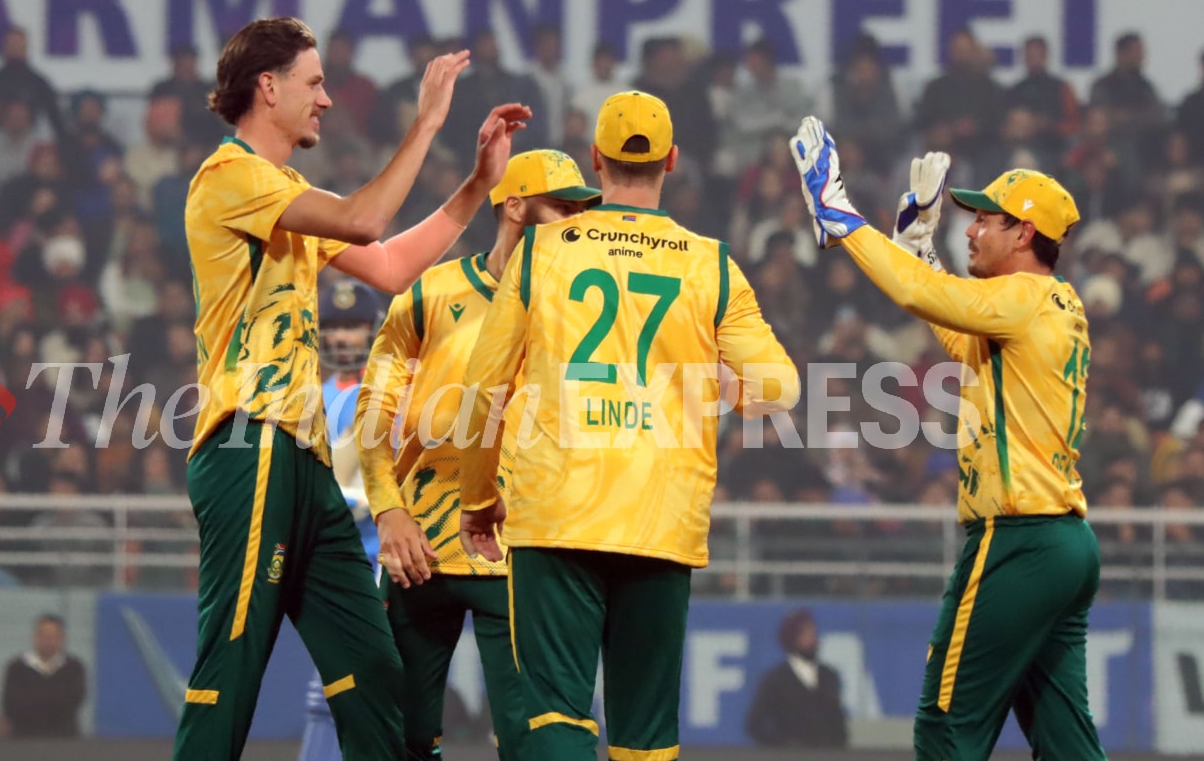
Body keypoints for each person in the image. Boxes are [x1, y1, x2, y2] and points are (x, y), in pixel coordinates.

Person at [175, 15, 526, 761]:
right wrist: (426, 122)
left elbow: (390, 268)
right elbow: (365, 222)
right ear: (267, 88)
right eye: (314, 83)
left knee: (375, 672)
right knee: (231, 664)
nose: (327, 99)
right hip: (250, 443)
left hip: (301, 460)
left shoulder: (284, 193)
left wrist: (476, 187)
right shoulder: (229, 176)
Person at [458, 92, 800, 760]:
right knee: (645, 737)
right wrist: (709, 383)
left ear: (596, 159)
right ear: (672, 161)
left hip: (557, 509)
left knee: (556, 718)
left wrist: (477, 498)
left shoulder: (541, 251)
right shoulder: (710, 263)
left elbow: (482, 388)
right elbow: (779, 387)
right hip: (660, 515)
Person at [788, 117, 1104, 760]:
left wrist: (839, 214)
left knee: (946, 725)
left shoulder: (1020, 297)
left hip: (1017, 539)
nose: (972, 229)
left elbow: (920, 294)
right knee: (1066, 741)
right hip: (1065, 544)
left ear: (1024, 233)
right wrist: (919, 248)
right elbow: (959, 330)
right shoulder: (1054, 302)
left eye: (986, 219)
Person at [358, 149, 600, 760]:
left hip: (523, 554)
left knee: (530, 740)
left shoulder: (587, 310)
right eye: (563, 209)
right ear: (515, 207)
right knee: (401, 738)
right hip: (420, 549)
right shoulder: (430, 293)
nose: (576, 224)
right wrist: (388, 509)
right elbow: (374, 412)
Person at [299, 278, 386, 761]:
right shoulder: (313, 397)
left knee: (355, 682)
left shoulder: (392, 390)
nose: (344, 337)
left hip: (382, 558)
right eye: (334, 326)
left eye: (354, 325)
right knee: (332, 682)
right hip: (329, 556)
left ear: (372, 329)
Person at [744, 607, 848, 748]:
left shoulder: (828, 676)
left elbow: (837, 721)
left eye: (813, 631)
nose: (813, 638)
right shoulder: (776, 680)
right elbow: (755, 724)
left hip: (826, 753)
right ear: (793, 638)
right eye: (806, 633)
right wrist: (781, 746)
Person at [1, 614, 88, 738]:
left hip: (64, 739)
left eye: (53, 636)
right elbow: (11, 703)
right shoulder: (17, 668)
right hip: (24, 738)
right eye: (44, 635)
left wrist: (35, 699)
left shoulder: (73, 668)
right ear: (35, 636)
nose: (48, 641)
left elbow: (73, 701)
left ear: (62, 638)